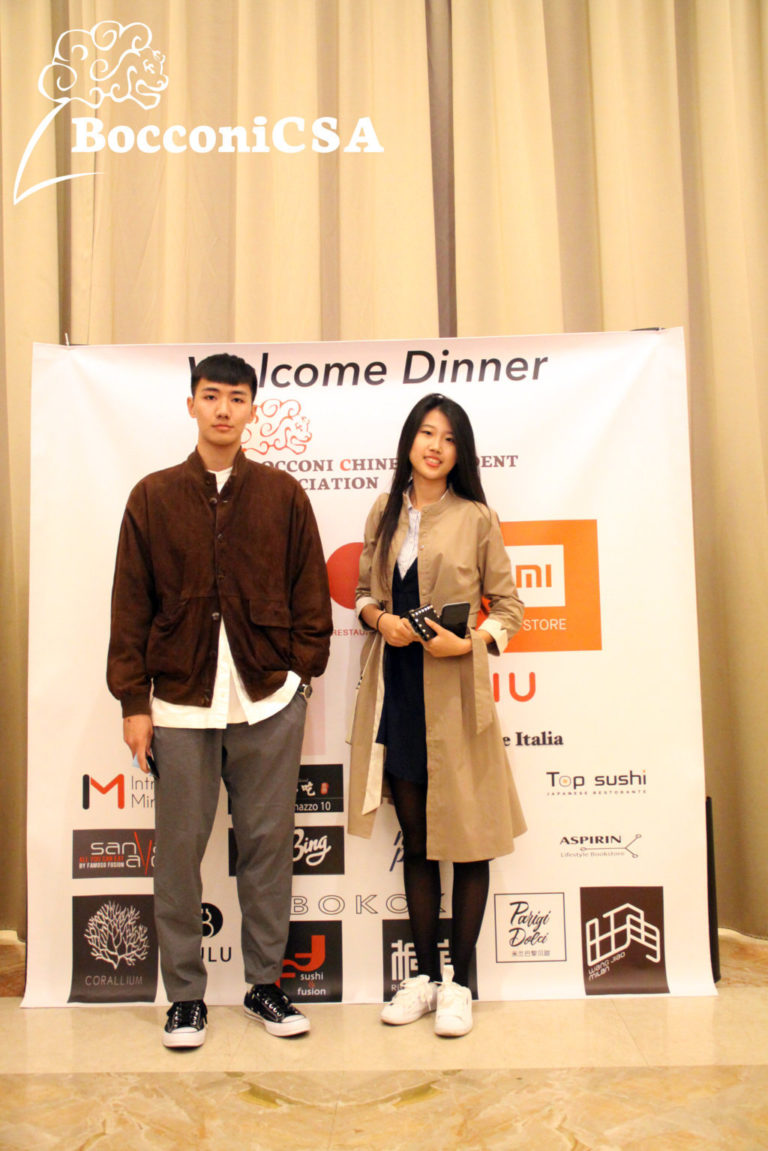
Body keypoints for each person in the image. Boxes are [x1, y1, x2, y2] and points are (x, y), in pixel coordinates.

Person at [107, 353, 332, 1049]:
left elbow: (311, 594)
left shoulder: (283, 495)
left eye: (237, 397)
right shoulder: (152, 496)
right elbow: (130, 605)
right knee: (178, 855)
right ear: (192, 405)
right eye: (211, 396)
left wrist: (301, 678)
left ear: (253, 410)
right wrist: (133, 702)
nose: (224, 409)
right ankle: (185, 998)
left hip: (268, 700)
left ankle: (265, 985)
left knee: (267, 848)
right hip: (179, 703)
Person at [348, 393, 526, 1037]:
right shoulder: (384, 511)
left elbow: (509, 608)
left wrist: (470, 642)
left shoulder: (477, 517)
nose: (435, 447)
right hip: (397, 691)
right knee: (419, 842)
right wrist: (380, 620)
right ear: (409, 441)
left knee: (469, 842)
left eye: (449, 439)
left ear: (461, 453)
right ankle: (424, 979)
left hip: (456, 696)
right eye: (427, 433)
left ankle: (461, 986)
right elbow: (362, 594)